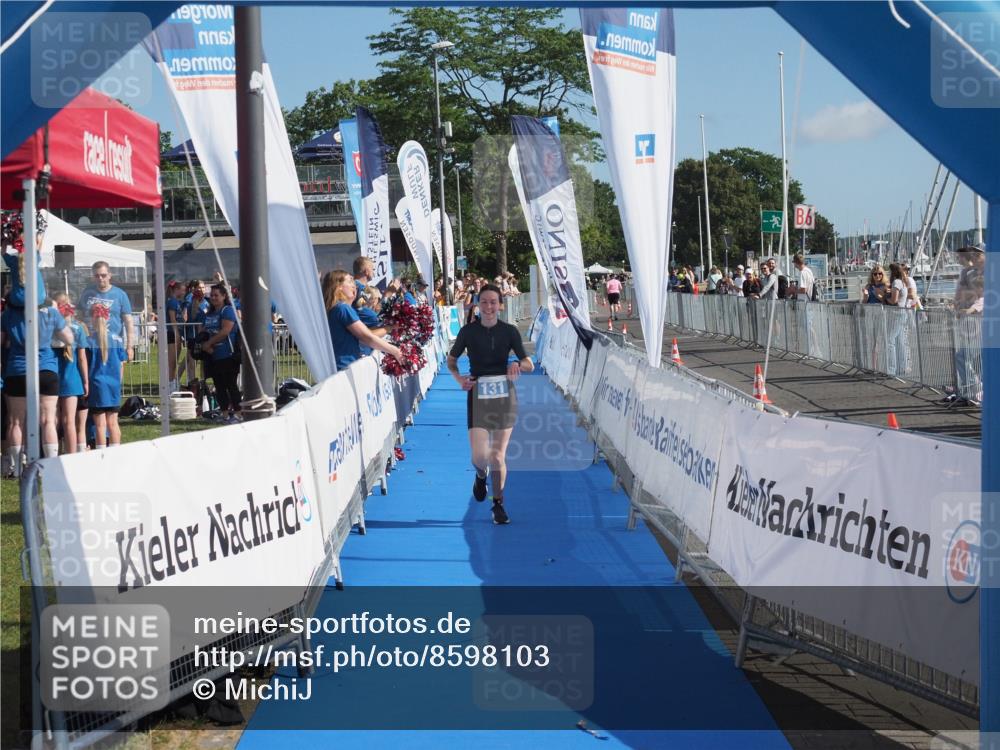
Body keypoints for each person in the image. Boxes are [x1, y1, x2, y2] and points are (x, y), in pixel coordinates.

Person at [447, 284, 534, 525]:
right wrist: (459, 379)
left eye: (493, 302)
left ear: (500, 305)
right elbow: (451, 360)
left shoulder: (510, 331)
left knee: (497, 456)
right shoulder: (468, 332)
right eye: (484, 302)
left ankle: (498, 504)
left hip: (505, 396)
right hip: (477, 395)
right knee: (479, 457)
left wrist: (517, 364)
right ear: (477, 304)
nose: (488, 306)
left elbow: (529, 364)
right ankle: (479, 474)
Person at [1, 299, 73, 471]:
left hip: (17, 369)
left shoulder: (8, 314)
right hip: (46, 368)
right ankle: (51, 466)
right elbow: (68, 338)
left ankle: (16, 467)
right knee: (48, 419)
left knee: (15, 421)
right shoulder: (51, 313)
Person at [78, 261, 134, 448]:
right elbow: (79, 317)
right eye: (97, 275)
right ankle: (110, 451)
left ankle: (102, 452)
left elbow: (128, 322)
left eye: (103, 275)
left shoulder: (120, 295)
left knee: (103, 421)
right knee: (110, 420)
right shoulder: (87, 293)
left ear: (110, 275)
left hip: (110, 350)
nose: (100, 279)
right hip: (102, 353)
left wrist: (130, 345)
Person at [323, 270, 402, 370]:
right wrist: (395, 351)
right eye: (350, 281)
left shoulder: (338, 308)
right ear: (339, 287)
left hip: (341, 366)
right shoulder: (343, 308)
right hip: (345, 367)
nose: (354, 285)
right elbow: (366, 337)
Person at [194, 283, 242, 423]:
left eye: (216, 295)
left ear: (224, 296)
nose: (213, 298)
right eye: (212, 295)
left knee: (231, 385)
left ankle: (239, 414)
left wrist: (209, 343)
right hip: (212, 356)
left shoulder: (227, 310)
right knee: (219, 386)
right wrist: (202, 343)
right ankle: (225, 414)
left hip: (228, 354)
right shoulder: (210, 313)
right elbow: (203, 330)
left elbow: (225, 330)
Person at [53, 294, 89, 454]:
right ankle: (71, 456)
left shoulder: (50, 327)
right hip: (72, 379)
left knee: (53, 421)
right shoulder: (78, 328)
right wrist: (86, 381)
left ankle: (54, 455)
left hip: (53, 377)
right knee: (70, 422)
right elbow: (82, 358)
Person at [165, 280, 186, 393]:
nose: (183, 292)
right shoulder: (172, 302)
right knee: (172, 361)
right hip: (172, 333)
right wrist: (176, 333)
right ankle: (170, 384)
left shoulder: (176, 302)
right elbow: (172, 319)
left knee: (175, 360)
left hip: (176, 333)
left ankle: (173, 382)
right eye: (182, 290)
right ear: (176, 290)